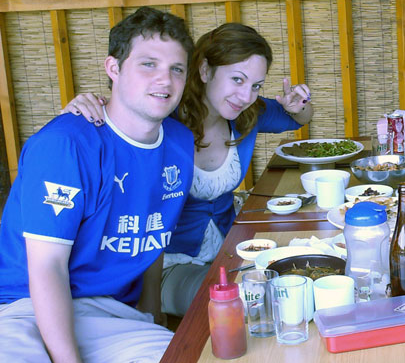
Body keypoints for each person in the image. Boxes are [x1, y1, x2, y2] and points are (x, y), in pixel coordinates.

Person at [0, 6, 195, 363]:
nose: (163, 80)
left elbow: (152, 237)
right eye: (147, 63)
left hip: (107, 314)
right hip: (22, 305)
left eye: (176, 68)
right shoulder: (66, 143)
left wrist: (150, 315)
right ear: (113, 68)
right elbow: (46, 269)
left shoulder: (179, 143)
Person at [63, 22, 314, 316]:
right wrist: (86, 104)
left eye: (256, 85)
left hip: (229, 250)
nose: (246, 95)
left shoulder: (246, 112)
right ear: (205, 71)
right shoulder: (161, 117)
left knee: (301, 278)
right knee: (254, 301)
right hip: (169, 265)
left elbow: (298, 119)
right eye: (237, 79)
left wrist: (299, 106)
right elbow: (117, 118)